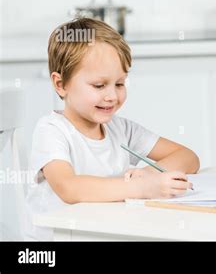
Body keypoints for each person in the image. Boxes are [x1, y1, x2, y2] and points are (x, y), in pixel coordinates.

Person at [25, 18, 199, 240]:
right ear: (61, 84)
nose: (112, 96)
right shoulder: (51, 130)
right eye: (99, 85)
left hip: (104, 233)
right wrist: (141, 188)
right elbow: (69, 188)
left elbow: (188, 157)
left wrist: (146, 174)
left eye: (119, 83)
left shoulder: (121, 129)